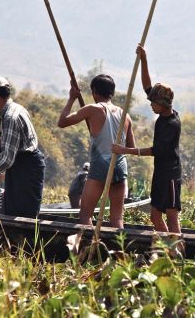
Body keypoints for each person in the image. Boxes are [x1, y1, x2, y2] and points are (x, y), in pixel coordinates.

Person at [111, 45, 181, 234]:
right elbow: (147, 87)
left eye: (153, 103)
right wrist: (144, 59)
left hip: (170, 175)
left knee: (171, 215)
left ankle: (177, 247)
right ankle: (167, 245)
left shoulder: (172, 124)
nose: (151, 105)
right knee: (155, 216)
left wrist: (125, 150)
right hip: (160, 173)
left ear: (162, 104)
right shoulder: (163, 113)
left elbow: (155, 151)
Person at [58, 75, 135, 228]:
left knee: (85, 214)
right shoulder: (125, 115)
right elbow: (131, 147)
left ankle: (89, 243)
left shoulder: (93, 109)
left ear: (94, 92)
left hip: (101, 165)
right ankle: (117, 244)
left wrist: (72, 98)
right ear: (112, 93)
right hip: (120, 166)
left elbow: (62, 122)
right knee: (117, 218)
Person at [0, 77, 45, 218]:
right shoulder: (14, 109)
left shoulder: (11, 117)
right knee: (10, 210)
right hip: (18, 166)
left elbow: (7, 159)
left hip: (27, 168)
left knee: (23, 214)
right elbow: (18, 138)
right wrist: (2, 142)